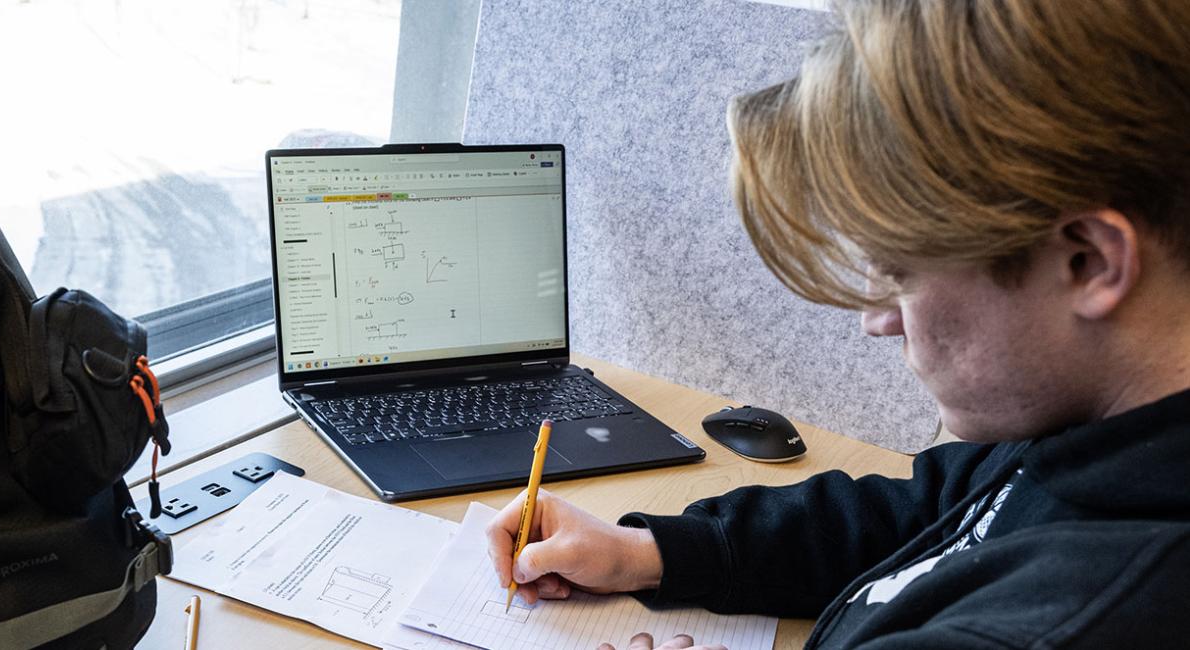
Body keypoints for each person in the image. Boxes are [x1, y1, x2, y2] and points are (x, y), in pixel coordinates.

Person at [486, 0, 1190, 648]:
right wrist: (653, 553)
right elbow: (926, 513)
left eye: (900, 271)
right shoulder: (1092, 431)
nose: (876, 321)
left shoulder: (1095, 614)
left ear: (1088, 262)